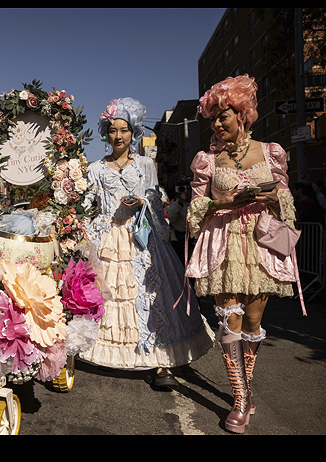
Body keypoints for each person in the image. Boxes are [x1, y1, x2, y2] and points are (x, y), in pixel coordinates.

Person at [187, 74, 304, 434]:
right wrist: (216, 202)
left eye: (224, 116)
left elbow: (289, 206)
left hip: (261, 247)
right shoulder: (207, 160)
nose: (218, 124)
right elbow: (194, 211)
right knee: (229, 321)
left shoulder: (270, 152)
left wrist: (274, 198)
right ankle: (240, 398)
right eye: (213, 119)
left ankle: (245, 390)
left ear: (242, 114)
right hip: (224, 247)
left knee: (252, 323)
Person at [79, 97, 214, 388]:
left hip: (142, 237)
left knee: (152, 296)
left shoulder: (145, 164)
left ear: (134, 133)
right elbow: (87, 205)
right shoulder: (95, 169)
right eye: (113, 130)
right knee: (107, 296)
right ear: (105, 132)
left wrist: (144, 206)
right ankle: (99, 352)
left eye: (124, 130)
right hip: (106, 238)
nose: (118, 136)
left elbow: (154, 200)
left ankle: (161, 362)